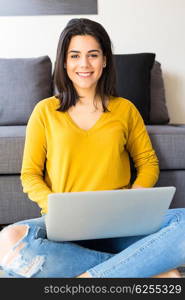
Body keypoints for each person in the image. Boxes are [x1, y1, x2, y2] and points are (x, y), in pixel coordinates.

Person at [0, 18, 184, 278]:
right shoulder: (45, 112)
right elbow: (30, 174)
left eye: (93, 55)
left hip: (120, 223)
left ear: (105, 60)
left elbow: (147, 162)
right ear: (64, 62)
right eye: (75, 55)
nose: (84, 64)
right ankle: (145, 269)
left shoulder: (125, 110)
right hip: (62, 226)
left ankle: (91, 280)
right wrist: (55, 208)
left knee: (184, 223)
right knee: (8, 241)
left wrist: (133, 199)